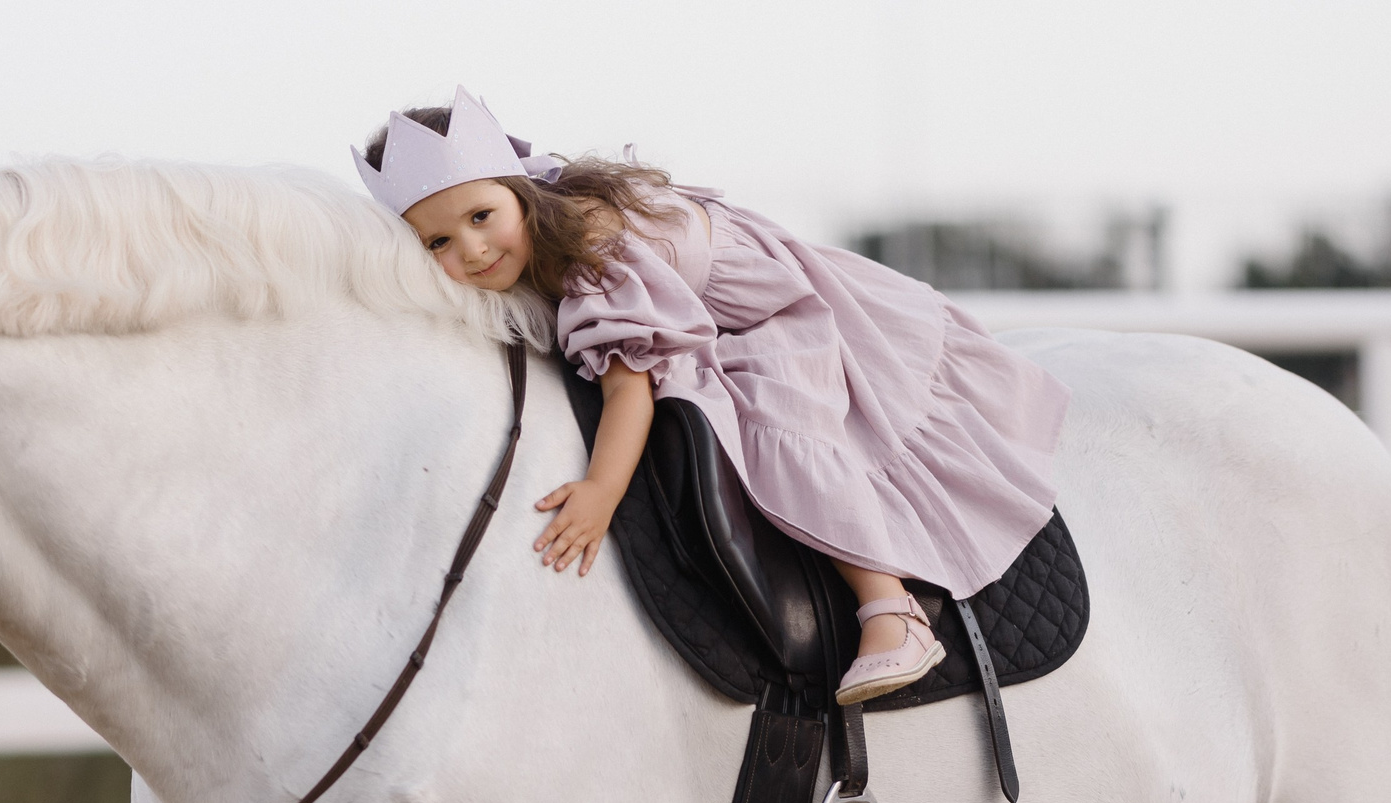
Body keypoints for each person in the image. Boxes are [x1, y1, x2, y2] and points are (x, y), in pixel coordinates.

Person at [355, 87, 1071, 705]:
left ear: (516, 192)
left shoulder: (589, 253)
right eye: (439, 243)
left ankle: (890, 606)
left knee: (773, 429)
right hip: (708, 303)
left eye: (481, 217)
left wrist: (602, 490)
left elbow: (629, 385)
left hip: (767, 311)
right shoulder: (541, 234)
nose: (472, 251)